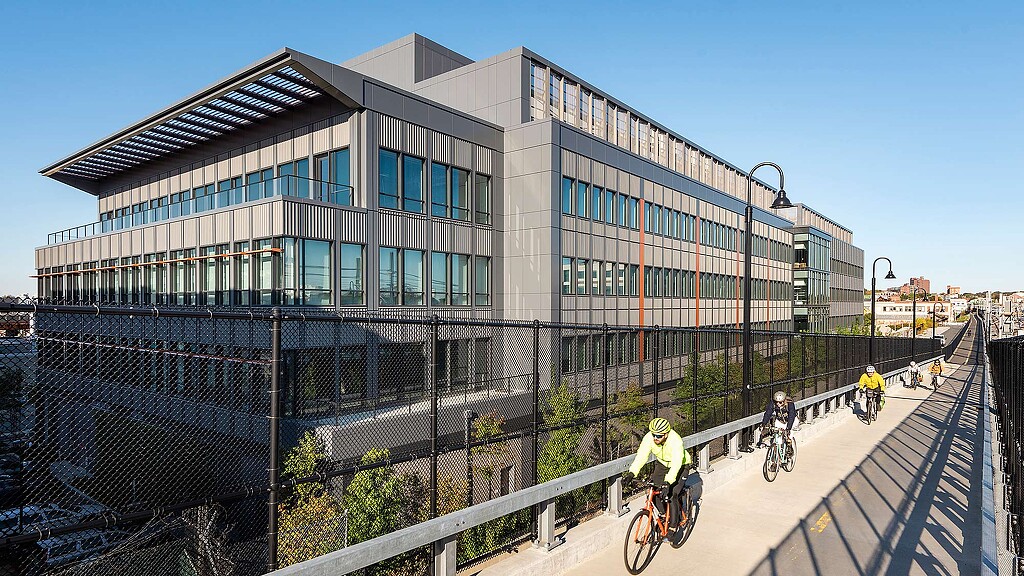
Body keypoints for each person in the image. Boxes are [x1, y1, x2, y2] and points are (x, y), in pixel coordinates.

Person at [622, 418, 693, 531]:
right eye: (654, 434)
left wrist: (668, 482)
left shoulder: (675, 440)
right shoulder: (649, 438)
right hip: (662, 464)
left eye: (659, 436)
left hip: (680, 466)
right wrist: (632, 473)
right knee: (653, 491)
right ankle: (664, 515)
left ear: (666, 434)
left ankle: (673, 527)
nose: (655, 438)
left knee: (671, 494)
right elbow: (641, 456)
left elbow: (676, 463)